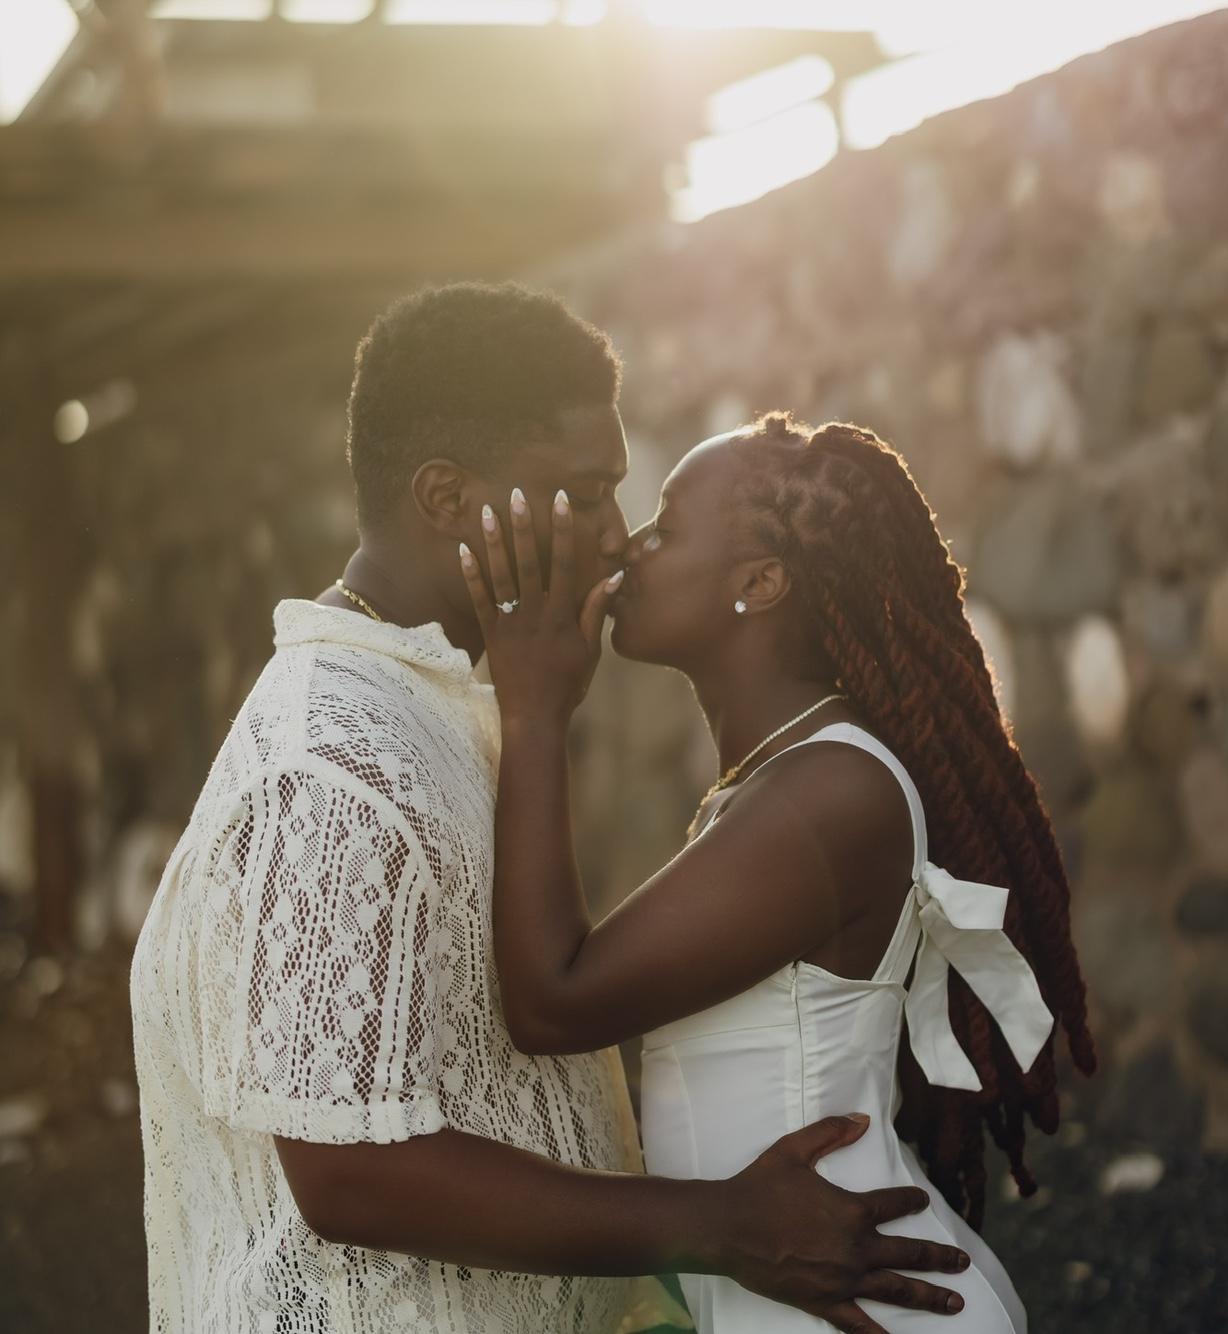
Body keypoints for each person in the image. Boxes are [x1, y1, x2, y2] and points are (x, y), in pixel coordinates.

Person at [129, 284, 974, 1334]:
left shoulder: (443, 707)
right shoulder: (329, 762)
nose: (616, 539)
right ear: (447, 498)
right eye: (584, 493)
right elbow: (348, 1174)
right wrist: (715, 1225)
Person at [461, 411, 1099, 1332]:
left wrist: (533, 711)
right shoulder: (788, 780)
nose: (629, 548)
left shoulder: (827, 794)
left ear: (758, 583)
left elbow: (551, 1003)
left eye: (666, 528)